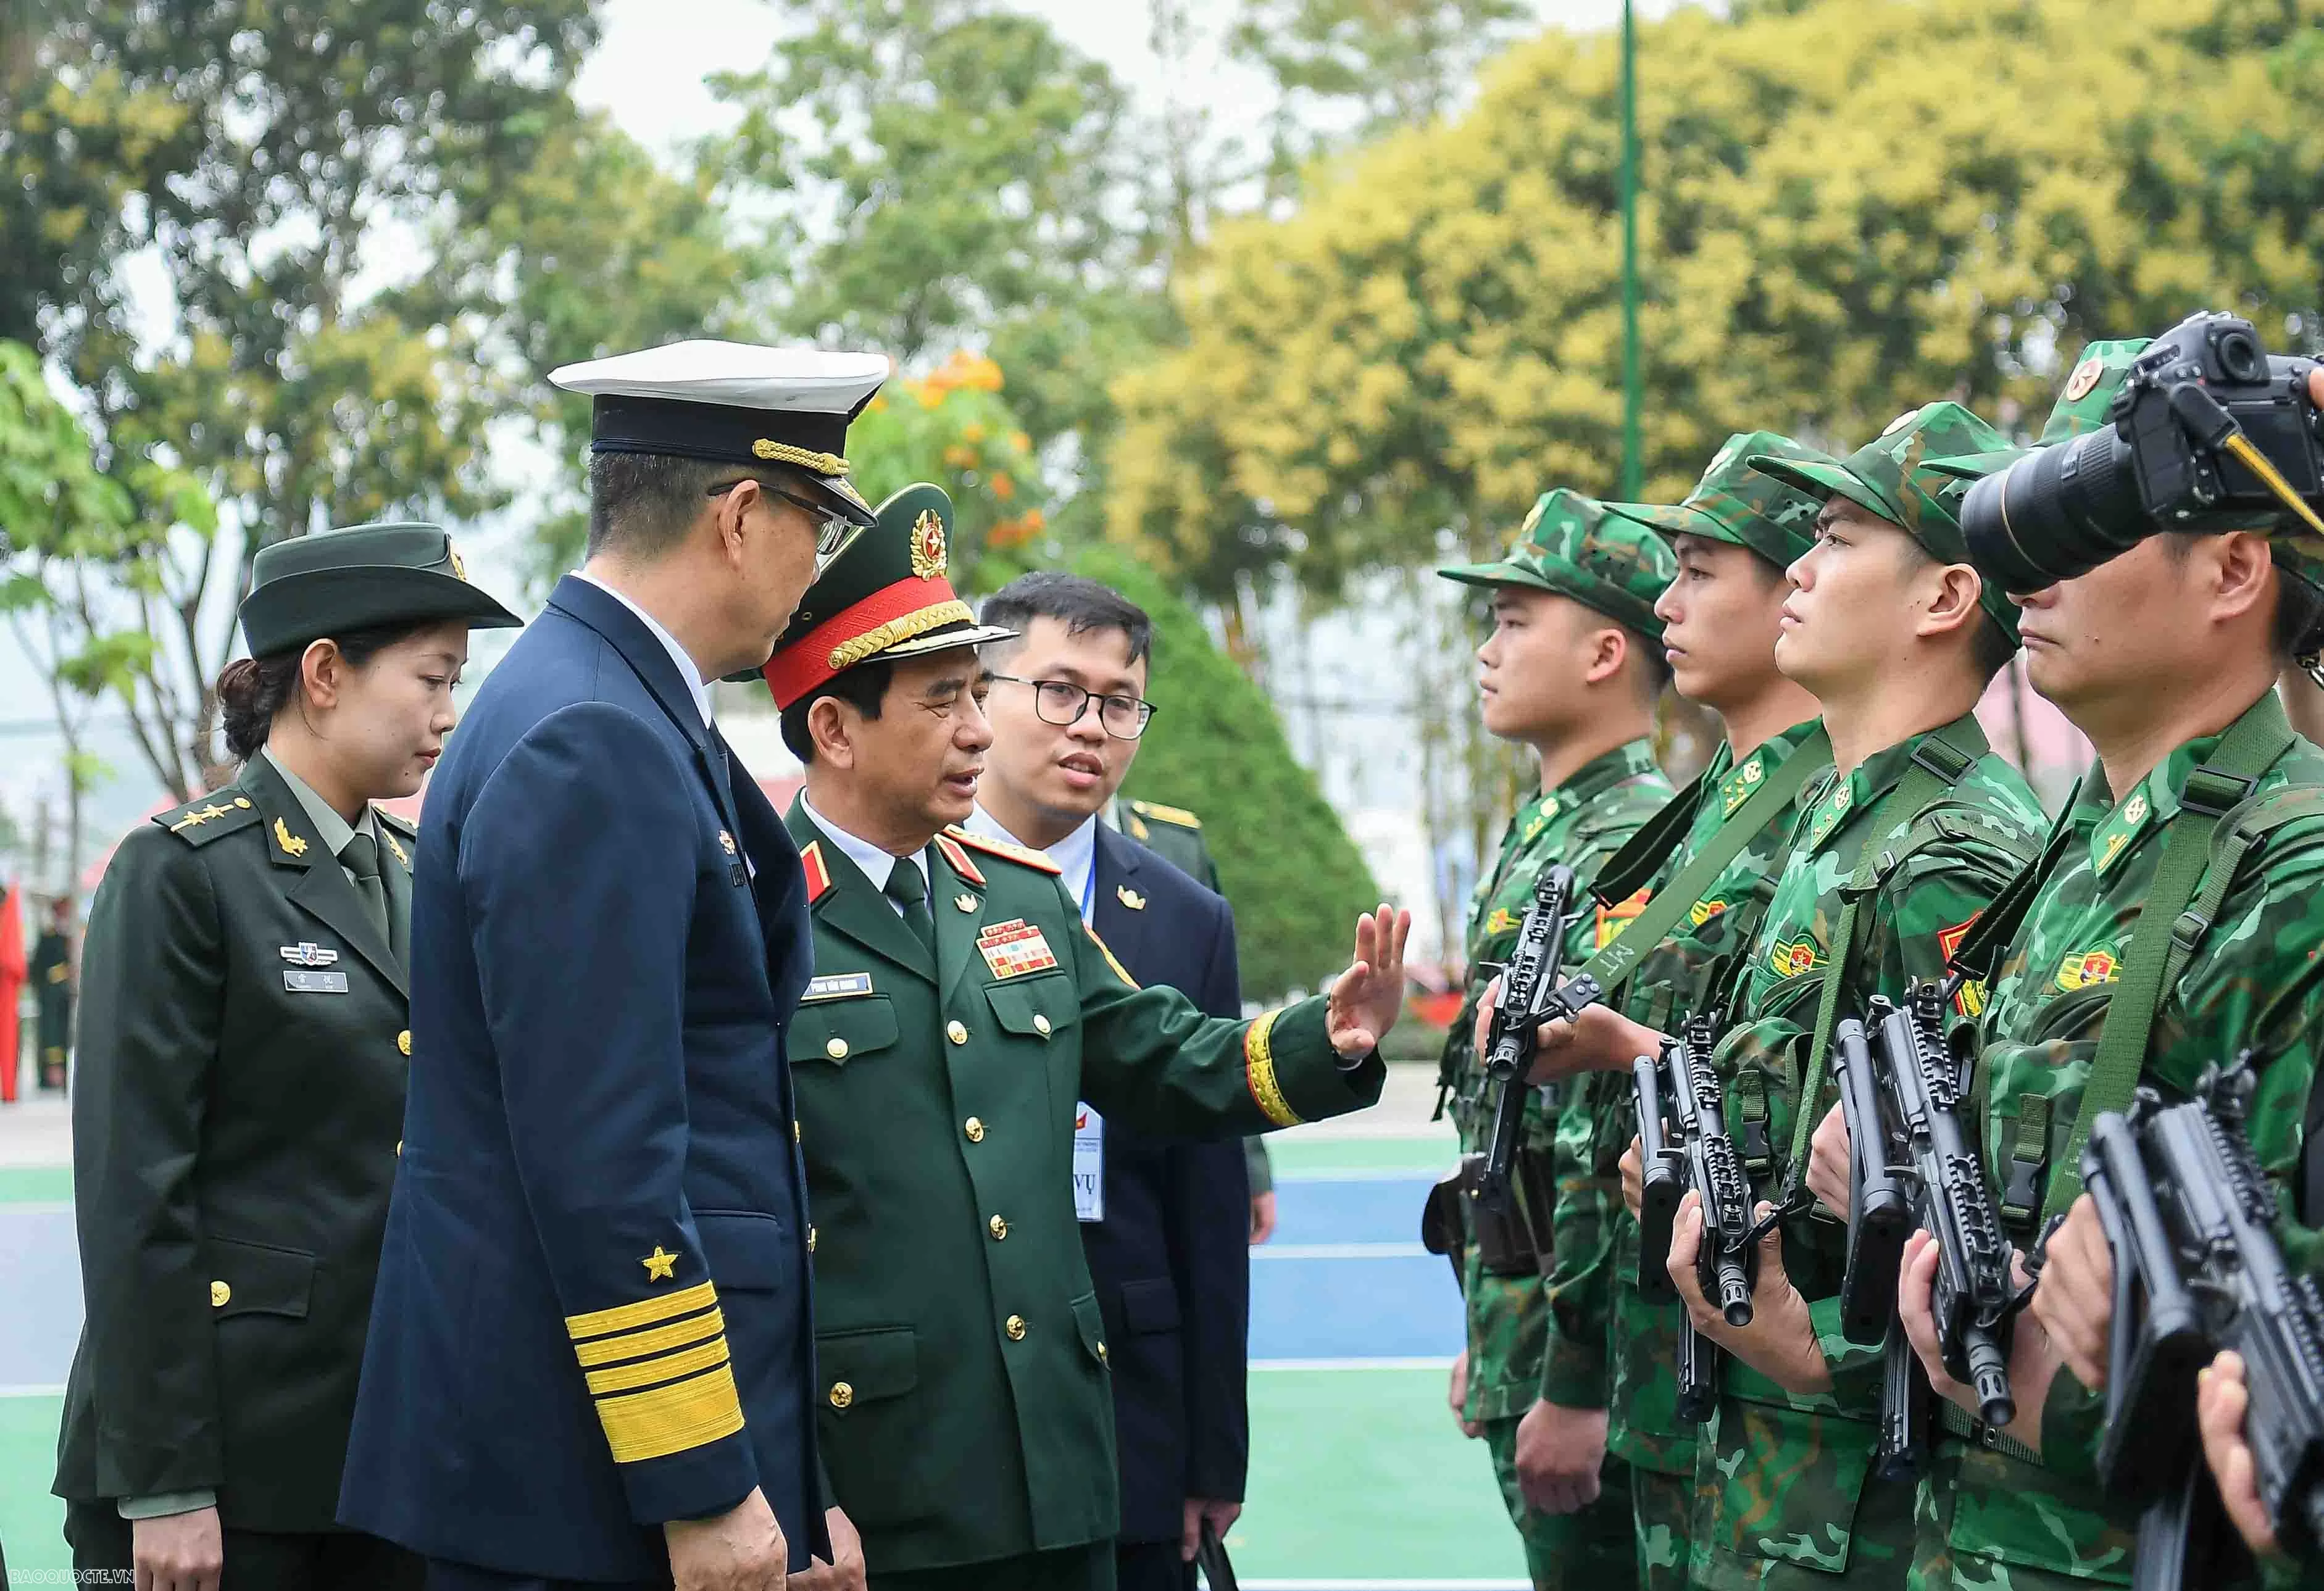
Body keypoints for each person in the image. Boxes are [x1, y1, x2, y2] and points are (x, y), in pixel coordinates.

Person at [763, 482, 1412, 1591]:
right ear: (834, 727)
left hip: (1055, 1466)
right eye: (943, 700)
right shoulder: (751, 914)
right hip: (880, 1484)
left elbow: (1159, 1056)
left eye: (978, 694)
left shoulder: (1016, 896)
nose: (978, 729)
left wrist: (1330, 1038)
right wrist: (790, 1489)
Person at [339, 341, 886, 1591]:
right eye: (813, 529)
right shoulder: (594, 729)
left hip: (597, 1453)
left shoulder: (610, 697)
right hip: (589, 1480)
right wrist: (701, 1480)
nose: (814, 573)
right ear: (738, 518)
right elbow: (606, 1156)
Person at [1513, 404, 2047, 1590]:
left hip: (1853, 1485)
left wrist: (1828, 1359)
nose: (1798, 570)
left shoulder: (1951, 847)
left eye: (1840, 542)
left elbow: (1966, 1211)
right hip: (1768, 1455)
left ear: (1946, 596)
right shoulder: (1843, 819)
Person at [1867, 349, 2324, 1591]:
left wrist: (2062, 1378)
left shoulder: (2296, 877)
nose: (2033, 572)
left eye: (2093, 523)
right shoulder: (2082, 846)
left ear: (2233, 569)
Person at [54, 521, 521, 1591]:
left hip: (384, 1457)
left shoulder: (417, 872)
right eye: (431, 677)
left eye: (456, 682)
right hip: (227, 1473)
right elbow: (135, 1193)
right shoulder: (184, 873)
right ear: (323, 674)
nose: (450, 713)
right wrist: (166, 1482)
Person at [1533, 434, 1837, 1591]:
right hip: (1669, 1359)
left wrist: (1630, 1052)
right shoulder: (1721, 803)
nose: (1666, 602)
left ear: (1792, 584)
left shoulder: (1827, 810)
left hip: (1769, 1381)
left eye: (1701, 571)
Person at [969, 571, 1253, 1591]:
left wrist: (1213, 1449)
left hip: (1131, 1412)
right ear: (980, 691)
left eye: (1120, 701)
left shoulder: (1182, 915)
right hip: (952, 1419)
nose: (1090, 725)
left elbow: (1209, 1196)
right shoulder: (903, 882)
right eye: (1059, 690)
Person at [1430, 492, 1680, 1591]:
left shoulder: (1626, 840)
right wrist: (1492, 1332)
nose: (1487, 652)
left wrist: (1575, 1381)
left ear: (1605, 652)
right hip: (1525, 1324)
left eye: (1514, 621)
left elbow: (1601, 1129)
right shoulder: (1554, 825)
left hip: (1585, 1360)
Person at [1105, 796, 1278, 1245]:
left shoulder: (1175, 845)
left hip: (1154, 1165)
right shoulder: (962, 835)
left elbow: (1216, 1019)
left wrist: (1251, 1163)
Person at [30, 894, 73, 1090]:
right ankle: (50, 1075)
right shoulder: (48, 936)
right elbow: (38, 969)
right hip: (50, 995)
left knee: (62, 1035)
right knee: (50, 1035)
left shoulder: (66, 936)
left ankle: (61, 1072)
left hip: (63, 995)